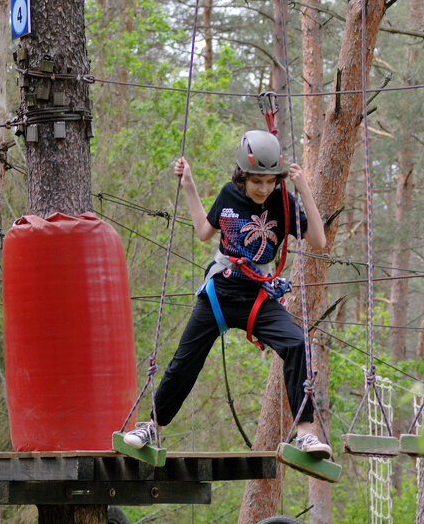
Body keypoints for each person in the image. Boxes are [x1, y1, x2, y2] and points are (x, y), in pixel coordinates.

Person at [122, 129, 333, 458]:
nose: (263, 189)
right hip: (220, 293)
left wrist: (303, 189)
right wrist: (189, 185)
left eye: (270, 181)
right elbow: (205, 233)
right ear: (242, 176)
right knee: (184, 361)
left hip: (257, 299)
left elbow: (318, 241)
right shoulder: (228, 195)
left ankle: (305, 432)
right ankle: (152, 426)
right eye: (256, 181)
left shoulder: (282, 201)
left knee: (295, 343)